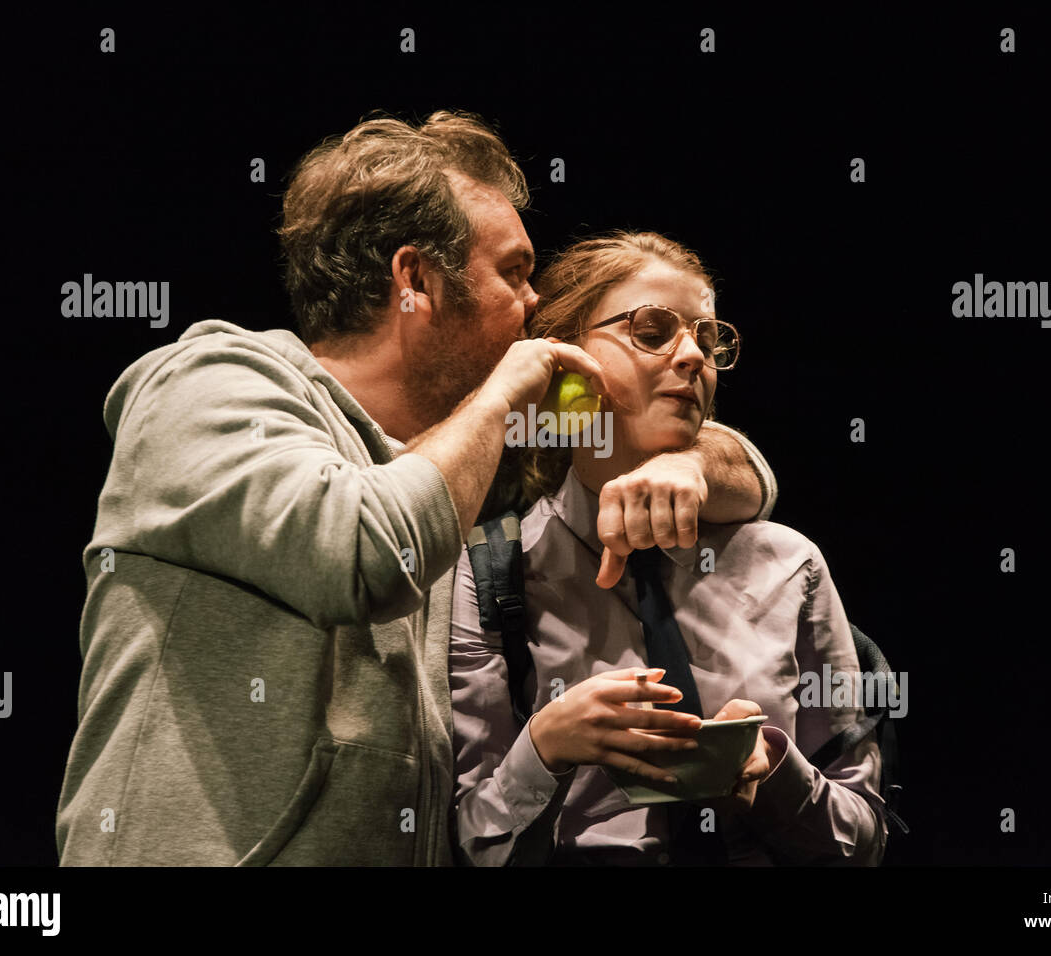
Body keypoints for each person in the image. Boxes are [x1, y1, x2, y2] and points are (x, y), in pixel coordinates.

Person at [55, 112, 778, 865]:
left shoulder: (451, 455)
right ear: (416, 281)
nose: (534, 306)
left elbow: (665, 441)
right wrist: (502, 400)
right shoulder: (209, 387)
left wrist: (688, 464)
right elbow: (367, 549)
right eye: (513, 272)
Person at [451, 231, 889, 866]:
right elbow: (470, 841)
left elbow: (863, 840)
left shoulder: (788, 563)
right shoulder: (491, 574)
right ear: (565, 365)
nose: (692, 356)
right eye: (652, 331)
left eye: (707, 340)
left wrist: (774, 775)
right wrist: (544, 750)